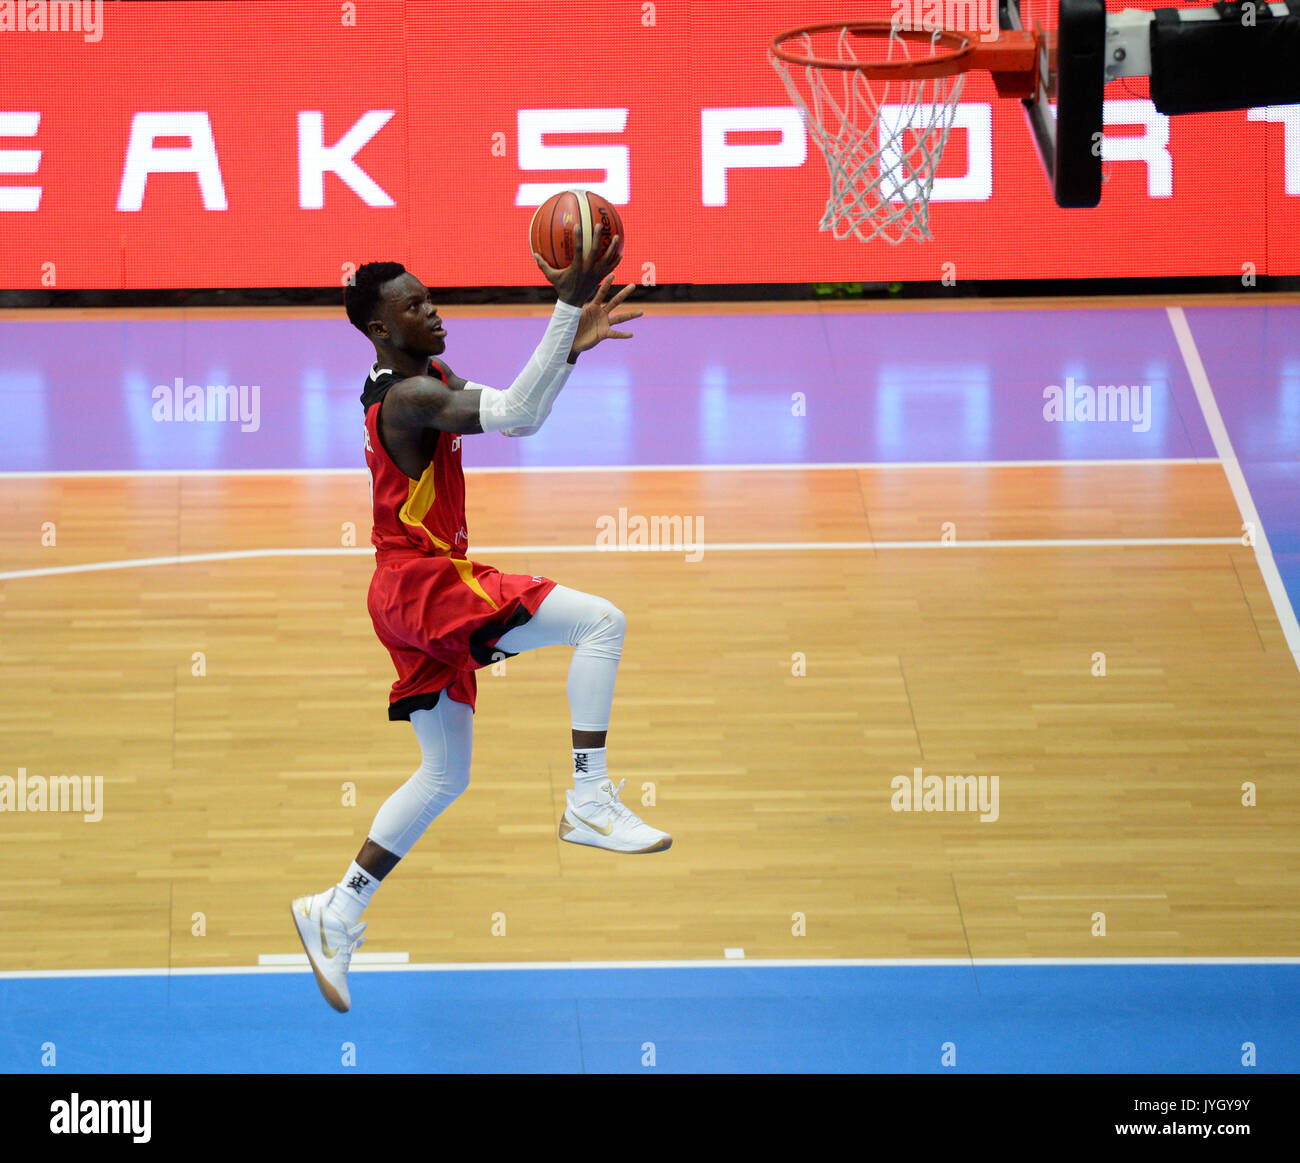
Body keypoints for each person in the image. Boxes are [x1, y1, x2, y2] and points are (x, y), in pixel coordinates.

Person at [292, 225, 670, 1013]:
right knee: (601, 622)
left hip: (402, 591)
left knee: (443, 773)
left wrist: (569, 347)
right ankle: (589, 798)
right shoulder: (409, 396)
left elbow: (518, 403)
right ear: (378, 328)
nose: (435, 313)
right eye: (415, 307)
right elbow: (521, 415)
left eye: (431, 299)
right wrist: (565, 309)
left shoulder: (419, 373)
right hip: (425, 586)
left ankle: (338, 909)